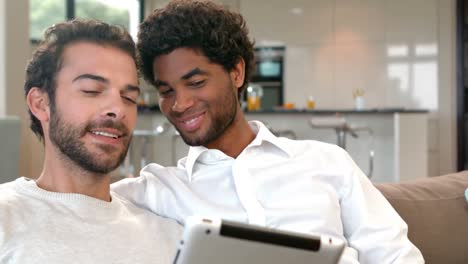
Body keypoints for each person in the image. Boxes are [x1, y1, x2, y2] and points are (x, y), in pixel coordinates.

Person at [112, 1, 424, 263]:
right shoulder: (158, 190)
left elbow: (396, 256)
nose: (179, 104)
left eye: (196, 83)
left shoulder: (327, 162)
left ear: (237, 71)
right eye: (166, 91)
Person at [0, 19, 181, 263]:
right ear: (41, 104)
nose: (118, 109)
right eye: (92, 90)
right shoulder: (6, 216)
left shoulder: (169, 236)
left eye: (128, 97)